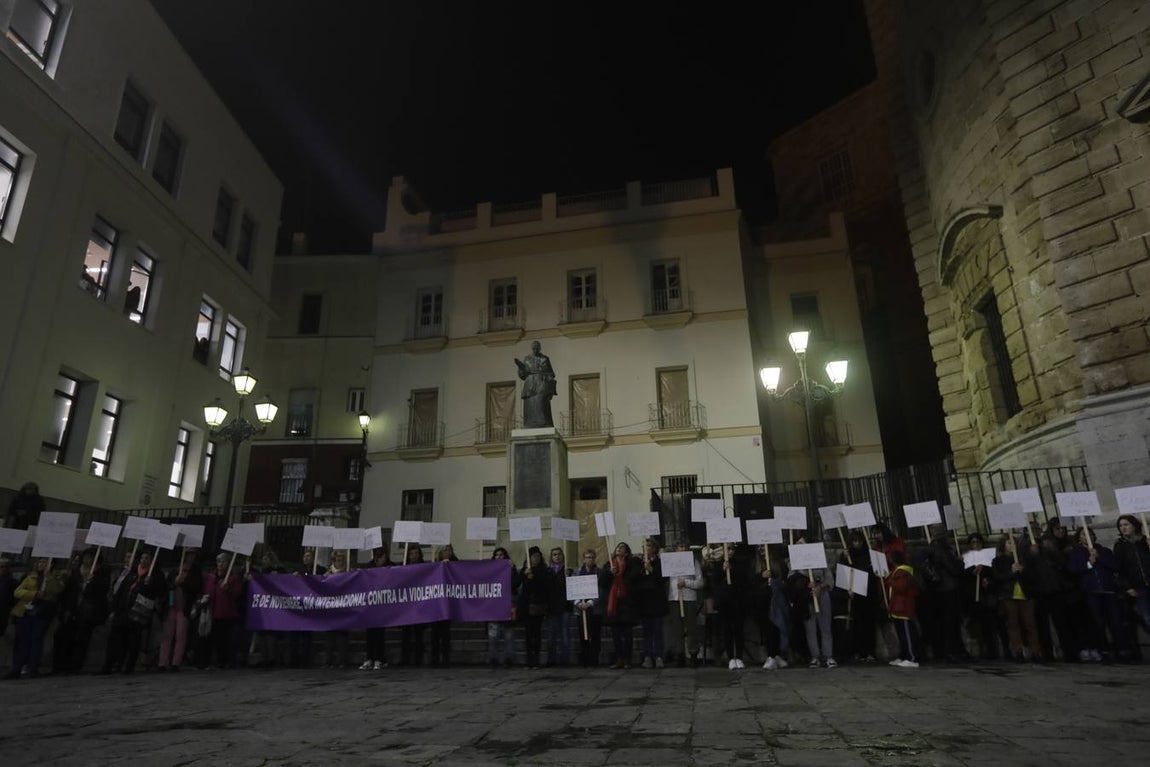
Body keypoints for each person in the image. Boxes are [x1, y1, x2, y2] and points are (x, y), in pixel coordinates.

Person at [99, 550, 164, 675]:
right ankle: (110, 664)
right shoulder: (131, 572)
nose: (143, 560)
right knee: (116, 637)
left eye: (147, 558)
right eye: (142, 558)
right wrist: (114, 608)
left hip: (139, 612)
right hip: (123, 609)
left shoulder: (156, 575)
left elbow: (159, 592)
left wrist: (150, 584)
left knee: (134, 639)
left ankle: (128, 666)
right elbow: (121, 589)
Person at [1067, 527, 1124, 661]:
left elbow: (1115, 566)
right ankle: (1103, 650)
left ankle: (1122, 649)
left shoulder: (1104, 550)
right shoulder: (1076, 552)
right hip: (1091, 592)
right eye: (1083, 534)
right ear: (1079, 538)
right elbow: (1073, 570)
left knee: (1115, 621)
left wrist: (1100, 557)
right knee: (1098, 622)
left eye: (1090, 534)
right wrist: (1088, 564)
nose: (1088, 536)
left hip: (1108, 590)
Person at [5, 557, 67, 678]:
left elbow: (57, 590)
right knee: (23, 640)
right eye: (40, 561)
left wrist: (48, 577)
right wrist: (33, 594)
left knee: (36, 639)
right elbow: (18, 592)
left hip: (43, 611)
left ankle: (32, 667)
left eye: (45, 562)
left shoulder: (57, 576)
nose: (42, 564)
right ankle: (17, 667)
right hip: (26, 611)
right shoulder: (30, 576)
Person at [53, 549, 110, 674]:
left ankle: (75, 665)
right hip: (73, 609)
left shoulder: (101, 573)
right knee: (63, 637)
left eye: (90, 557)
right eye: (86, 557)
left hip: (88, 611)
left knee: (82, 639)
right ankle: (60, 664)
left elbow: (102, 592)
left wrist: (92, 581)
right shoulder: (75, 572)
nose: (86, 560)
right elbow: (68, 591)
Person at [991, 536, 1044, 662]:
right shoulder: (998, 560)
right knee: (1013, 624)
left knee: (1030, 624)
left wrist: (1023, 570)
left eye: (1014, 543)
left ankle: (1035, 651)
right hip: (1009, 595)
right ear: (1004, 545)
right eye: (1009, 543)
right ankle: (1018, 651)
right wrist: (1011, 571)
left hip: (1026, 594)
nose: (1012, 545)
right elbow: (997, 577)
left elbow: (1034, 576)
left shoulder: (1024, 559)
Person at [156, 548, 201, 672]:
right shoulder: (174, 571)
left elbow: (196, 587)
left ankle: (176, 662)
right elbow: (167, 586)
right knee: (167, 634)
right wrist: (175, 582)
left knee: (181, 634)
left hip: (184, 607)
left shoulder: (195, 572)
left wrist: (184, 582)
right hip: (171, 605)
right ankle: (162, 662)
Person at [836, 531, 877, 663]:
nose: (857, 544)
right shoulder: (848, 556)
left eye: (859, 541)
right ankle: (859, 651)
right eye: (854, 541)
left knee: (869, 624)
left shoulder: (869, 555)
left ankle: (870, 651)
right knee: (857, 624)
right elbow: (843, 571)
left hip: (868, 594)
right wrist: (844, 557)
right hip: (854, 594)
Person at [197, 552, 242, 670]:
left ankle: (224, 661)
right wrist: (203, 598)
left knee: (224, 640)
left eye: (223, 561)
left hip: (226, 613)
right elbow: (205, 590)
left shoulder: (233, 577)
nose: (220, 564)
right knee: (207, 638)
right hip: (211, 611)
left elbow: (237, 593)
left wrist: (228, 589)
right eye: (218, 561)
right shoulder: (211, 576)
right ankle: (205, 661)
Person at [665, 542, 704, 668]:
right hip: (675, 598)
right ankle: (679, 654)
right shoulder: (669, 562)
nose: (683, 549)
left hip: (689, 598)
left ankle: (693, 654)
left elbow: (700, 582)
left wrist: (686, 583)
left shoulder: (693, 562)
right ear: (676, 549)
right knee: (677, 629)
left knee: (691, 628)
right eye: (680, 547)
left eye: (685, 547)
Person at [604, 542, 641, 669]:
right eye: (618, 547)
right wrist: (610, 573)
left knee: (627, 634)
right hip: (614, 604)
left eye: (622, 548)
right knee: (616, 635)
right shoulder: (609, 564)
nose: (619, 549)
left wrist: (620, 574)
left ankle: (627, 659)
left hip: (627, 603)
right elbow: (602, 581)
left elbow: (635, 577)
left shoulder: (632, 563)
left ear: (626, 552)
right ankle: (619, 658)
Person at [287, 548, 325, 667]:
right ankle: (294, 660)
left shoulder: (319, 569)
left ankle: (306, 660)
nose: (306, 558)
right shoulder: (298, 570)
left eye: (308, 556)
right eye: (305, 556)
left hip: (312, 606)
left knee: (307, 636)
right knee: (295, 636)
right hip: (299, 607)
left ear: (313, 558)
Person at [1113, 515, 1150, 635]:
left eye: (1126, 524)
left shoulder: (1145, 541)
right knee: (1147, 618)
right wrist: (1127, 587)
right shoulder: (1120, 545)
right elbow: (1119, 569)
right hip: (1139, 588)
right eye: (1120, 525)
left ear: (1134, 525)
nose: (1123, 528)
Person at [885, 550, 921, 668]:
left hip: (903, 607)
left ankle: (912, 658)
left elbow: (901, 588)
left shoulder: (902, 572)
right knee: (901, 635)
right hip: (897, 607)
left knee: (907, 634)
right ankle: (905, 656)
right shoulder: (898, 571)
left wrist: (890, 580)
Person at [487, 547, 520, 669]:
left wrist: (512, 569)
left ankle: (509, 658)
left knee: (509, 635)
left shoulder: (511, 568)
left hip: (508, 606)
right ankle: (493, 658)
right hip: (493, 607)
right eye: (497, 555)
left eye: (501, 555)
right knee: (493, 636)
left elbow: (516, 583)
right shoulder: (489, 569)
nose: (499, 557)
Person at [362, 547, 393, 670]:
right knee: (370, 634)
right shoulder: (368, 568)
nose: (383, 560)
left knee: (380, 634)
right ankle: (370, 658)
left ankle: (379, 658)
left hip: (382, 606)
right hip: (371, 605)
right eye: (381, 558)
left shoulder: (390, 567)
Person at [514, 340, 556, 428]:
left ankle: (544, 422)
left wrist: (551, 389)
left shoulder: (545, 359)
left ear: (540, 348)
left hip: (541, 383)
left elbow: (551, 374)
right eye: (534, 348)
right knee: (530, 404)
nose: (535, 350)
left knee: (541, 403)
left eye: (537, 348)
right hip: (530, 384)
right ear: (532, 349)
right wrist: (521, 369)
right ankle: (530, 423)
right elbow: (523, 375)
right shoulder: (527, 359)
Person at [518, 546, 548, 669]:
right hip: (526, 607)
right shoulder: (525, 570)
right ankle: (529, 659)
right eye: (533, 557)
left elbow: (543, 587)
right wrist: (525, 575)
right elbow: (517, 583)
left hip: (537, 606)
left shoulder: (543, 570)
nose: (536, 559)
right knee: (528, 635)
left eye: (538, 556)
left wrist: (533, 578)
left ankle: (536, 659)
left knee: (536, 634)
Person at [573, 549, 604, 667]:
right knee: (582, 634)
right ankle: (585, 657)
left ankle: (594, 658)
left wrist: (590, 603)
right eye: (587, 557)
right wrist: (577, 603)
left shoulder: (599, 572)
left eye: (592, 557)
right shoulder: (577, 573)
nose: (590, 559)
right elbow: (572, 589)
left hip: (594, 608)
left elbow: (601, 590)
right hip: (580, 609)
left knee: (595, 634)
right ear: (583, 558)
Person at [429, 544, 458, 667]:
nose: (447, 552)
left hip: (447, 603)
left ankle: (446, 658)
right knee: (435, 634)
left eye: (449, 550)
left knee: (446, 633)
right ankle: (434, 658)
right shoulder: (433, 565)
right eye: (445, 550)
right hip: (435, 604)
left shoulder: (455, 563)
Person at [399, 546, 427, 666]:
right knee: (406, 634)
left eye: (416, 553)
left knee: (418, 634)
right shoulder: (403, 566)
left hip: (419, 605)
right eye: (411, 554)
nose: (414, 556)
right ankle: (405, 658)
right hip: (406, 605)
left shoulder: (425, 567)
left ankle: (418, 659)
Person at [544, 547, 572, 666]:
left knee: (564, 634)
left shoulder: (567, 571)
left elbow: (571, 588)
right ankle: (552, 659)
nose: (557, 556)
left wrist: (567, 578)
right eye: (554, 554)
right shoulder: (548, 571)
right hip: (551, 607)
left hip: (564, 606)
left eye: (559, 554)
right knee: (551, 635)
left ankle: (565, 659)